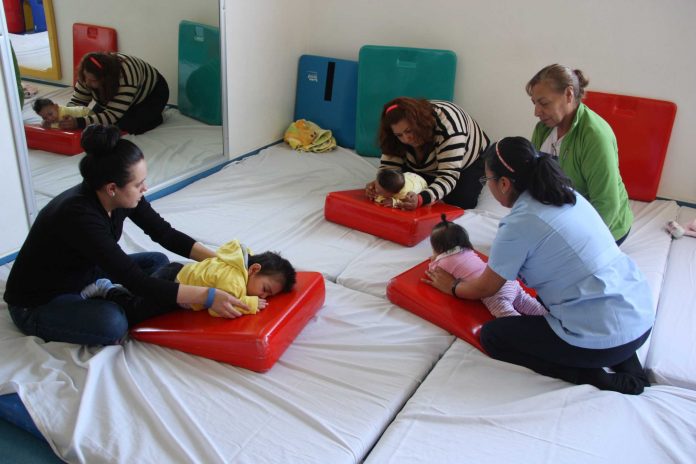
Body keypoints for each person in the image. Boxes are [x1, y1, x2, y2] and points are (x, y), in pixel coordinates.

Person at [423, 137, 654, 395]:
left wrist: (453, 286)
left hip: (601, 338)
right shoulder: (570, 196)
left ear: (504, 183)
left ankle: (595, 376)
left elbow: (486, 288)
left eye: (486, 181)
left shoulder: (518, 224)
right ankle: (628, 364)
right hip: (640, 317)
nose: (488, 188)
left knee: (493, 337)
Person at [3, 125, 249, 346]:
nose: (145, 188)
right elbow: (136, 282)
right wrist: (207, 296)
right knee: (113, 324)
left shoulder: (121, 197)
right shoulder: (78, 216)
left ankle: (106, 290)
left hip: (85, 272)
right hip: (39, 301)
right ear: (112, 188)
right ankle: (109, 297)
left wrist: (220, 261)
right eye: (139, 183)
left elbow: (164, 233)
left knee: (157, 262)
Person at [526, 64, 633, 244]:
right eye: (534, 103)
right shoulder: (543, 129)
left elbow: (607, 204)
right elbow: (534, 179)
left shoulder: (595, 136)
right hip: (563, 215)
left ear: (568, 94)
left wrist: (577, 243)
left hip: (604, 226)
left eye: (544, 103)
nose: (537, 112)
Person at [365, 97, 490, 210]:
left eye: (409, 131)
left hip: (467, 162)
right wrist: (381, 183)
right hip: (425, 161)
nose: (406, 139)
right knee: (395, 185)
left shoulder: (449, 129)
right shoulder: (395, 137)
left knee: (460, 202)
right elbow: (389, 167)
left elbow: (448, 175)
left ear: (419, 124)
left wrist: (422, 199)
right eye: (399, 135)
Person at [136, 239, 297, 317]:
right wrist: (251, 303)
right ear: (254, 269)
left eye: (268, 295)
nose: (263, 296)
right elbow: (218, 308)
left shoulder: (240, 258)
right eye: (265, 289)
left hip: (176, 269)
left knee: (145, 279)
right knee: (139, 308)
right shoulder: (235, 282)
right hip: (171, 286)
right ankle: (113, 293)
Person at [429, 214, 547, 318]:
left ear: (438, 248)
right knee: (529, 304)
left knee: (508, 316)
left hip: (491, 292)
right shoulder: (467, 250)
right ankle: (548, 317)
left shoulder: (442, 262)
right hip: (506, 281)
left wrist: (434, 259)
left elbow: (434, 271)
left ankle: (526, 332)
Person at [58, 52, 169, 135]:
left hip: (153, 94)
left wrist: (78, 122)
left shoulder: (125, 79)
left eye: (92, 80)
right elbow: (77, 102)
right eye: (85, 78)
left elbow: (112, 115)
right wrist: (65, 115)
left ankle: (155, 117)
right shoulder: (87, 72)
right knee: (93, 119)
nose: (87, 83)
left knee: (124, 126)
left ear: (105, 79)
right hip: (118, 95)